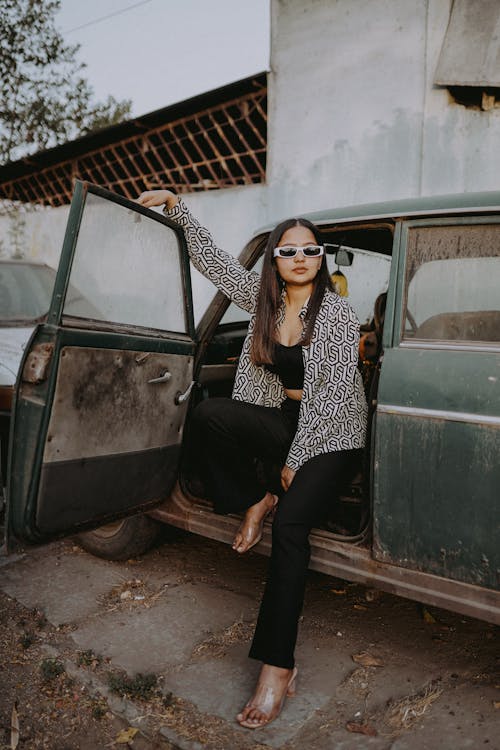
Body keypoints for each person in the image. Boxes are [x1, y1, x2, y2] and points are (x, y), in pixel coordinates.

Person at [136, 189, 368, 729]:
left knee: (291, 527)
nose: (300, 258)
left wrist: (297, 460)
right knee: (208, 415)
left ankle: (276, 669)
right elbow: (214, 262)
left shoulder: (334, 310)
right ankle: (252, 499)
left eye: (310, 250)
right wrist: (177, 210)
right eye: (288, 251)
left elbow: (333, 393)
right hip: (284, 420)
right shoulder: (261, 301)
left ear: (321, 257)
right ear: (275, 260)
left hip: (334, 434)